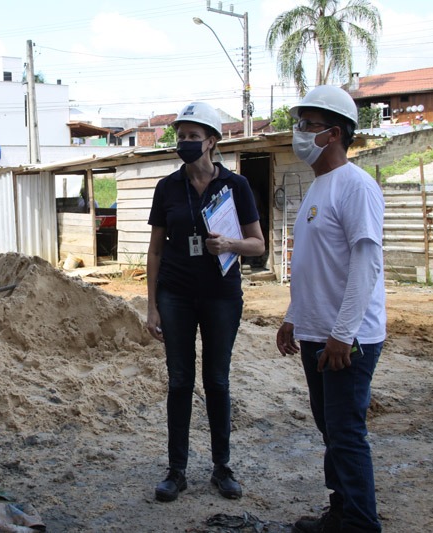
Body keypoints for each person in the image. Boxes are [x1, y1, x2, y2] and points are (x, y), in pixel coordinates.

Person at [276, 85, 386, 533]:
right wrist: (292, 316)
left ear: (334, 133)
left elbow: (366, 262)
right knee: (331, 432)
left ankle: (361, 523)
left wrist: (344, 334)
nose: (298, 133)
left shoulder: (356, 186)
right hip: (317, 331)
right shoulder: (320, 185)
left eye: (307, 125)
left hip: (347, 338)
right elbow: (314, 265)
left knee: (345, 433)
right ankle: (341, 510)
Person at [146, 101, 265, 502]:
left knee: (216, 380)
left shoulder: (236, 187)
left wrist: (229, 244)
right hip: (175, 295)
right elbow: (155, 251)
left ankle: (221, 468)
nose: (184, 143)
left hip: (221, 296)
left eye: (192, 137)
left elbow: (257, 244)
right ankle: (176, 471)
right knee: (179, 381)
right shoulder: (167, 188)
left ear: (212, 142)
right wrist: (152, 305)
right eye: (181, 137)